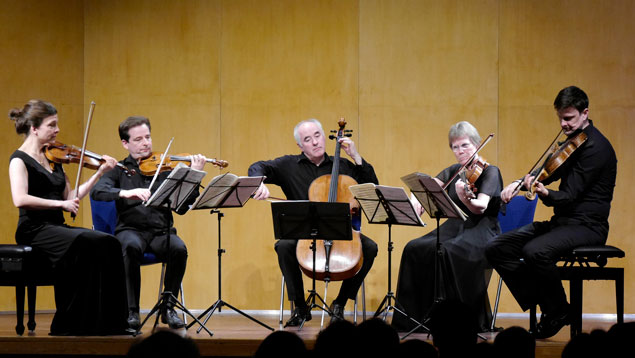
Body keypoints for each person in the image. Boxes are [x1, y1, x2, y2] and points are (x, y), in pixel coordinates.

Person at [485, 86, 617, 339]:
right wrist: (517, 183)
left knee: (535, 251)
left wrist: (546, 194)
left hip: (588, 227)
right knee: (496, 248)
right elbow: (546, 172)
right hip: (563, 223)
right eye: (560, 118)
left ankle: (556, 310)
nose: (563, 124)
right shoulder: (572, 143)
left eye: (568, 118)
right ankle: (553, 307)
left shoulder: (596, 148)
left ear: (585, 112)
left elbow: (569, 197)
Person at [8, 99, 128, 335]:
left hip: (55, 226)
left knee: (109, 242)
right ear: (34, 128)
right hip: (34, 228)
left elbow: (72, 196)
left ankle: (111, 322)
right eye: (51, 125)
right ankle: (70, 323)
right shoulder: (19, 160)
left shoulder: (54, 159)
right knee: (86, 243)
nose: (57, 130)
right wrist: (60, 204)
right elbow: (19, 199)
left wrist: (99, 173)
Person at [248, 118, 379, 326]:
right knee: (283, 246)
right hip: (304, 233)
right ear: (300, 145)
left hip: (342, 231)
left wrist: (356, 156)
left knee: (370, 248)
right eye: (308, 139)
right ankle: (300, 308)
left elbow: (372, 186)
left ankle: (340, 303)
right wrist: (257, 184)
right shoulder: (288, 165)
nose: (315, 142)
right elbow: (258, 166)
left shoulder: (344, 165)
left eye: (318, 136)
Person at [90, 116, 206, 330]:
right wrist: (126, 192)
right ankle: (131, 311)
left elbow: (180, 208)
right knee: (130, 247)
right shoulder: (119, 169)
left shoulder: (166, 169)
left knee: (178, 249)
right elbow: (98, 191)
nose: (146, 143)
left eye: (148, 137)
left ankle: (168, 307)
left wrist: (195, 177)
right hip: (130, 230)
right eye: (138, 139)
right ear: (125, 143)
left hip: (161, 232)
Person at [392, 121, 504, 332]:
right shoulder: (455, 170)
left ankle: (456, 322)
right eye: (455, 147)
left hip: (482, 229)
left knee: (447, 251)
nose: (460, 151)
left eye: (465, 145)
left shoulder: (491, 172)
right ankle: (417, 319)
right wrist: (417, 199)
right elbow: (431, 185)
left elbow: (480, 207)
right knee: (414, 247)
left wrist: (465, 198)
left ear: (477, 144)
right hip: (455, 225)